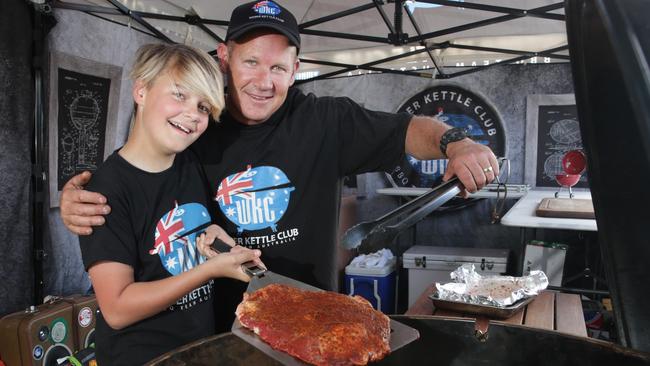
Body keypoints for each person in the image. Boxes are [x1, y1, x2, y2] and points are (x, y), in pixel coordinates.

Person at [61, 1, 498, 326]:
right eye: (250, 62)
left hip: (311, 319)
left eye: (278, 67)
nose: (263, 82)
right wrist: (82, 194)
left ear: (296, 70)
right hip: (218, 329)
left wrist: (456, 142)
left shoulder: (326, 121)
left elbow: (406, 130)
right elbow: (140, 172)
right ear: (224, 57)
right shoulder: (196, 125)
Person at [78, 43, 263, 365]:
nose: (193, 114)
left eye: (204, 106)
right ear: (141, 91)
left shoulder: (190, 164)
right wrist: (209, 270)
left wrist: (219, 242)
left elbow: (197, 234)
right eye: (180, 94)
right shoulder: (104, 191)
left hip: (199, 351)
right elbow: (118, 309)